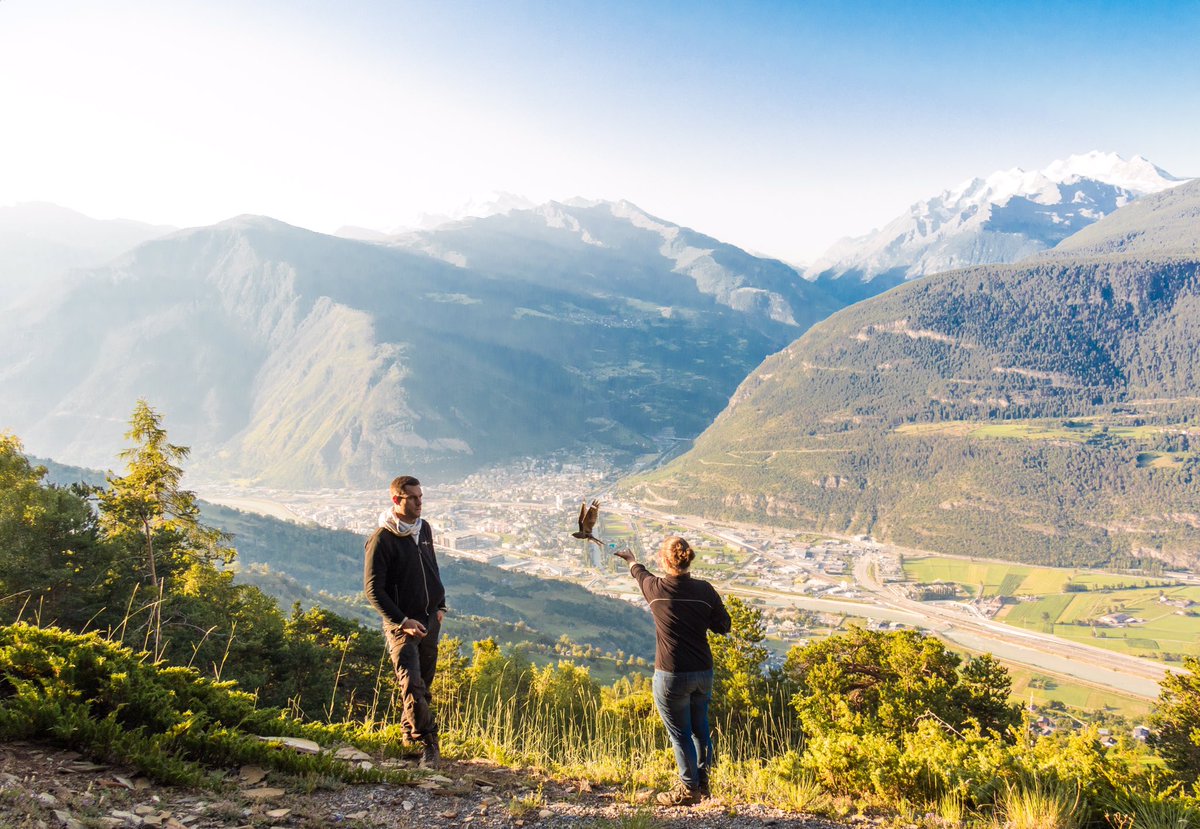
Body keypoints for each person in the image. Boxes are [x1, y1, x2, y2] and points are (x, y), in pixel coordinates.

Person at [614, 536, 731, 807]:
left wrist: (630, 558)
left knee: (679, 733)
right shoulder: (705, 590)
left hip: (671, 674)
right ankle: (703, 783)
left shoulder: (656, 589)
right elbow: (724, 626)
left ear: (665, 561)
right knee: (700, 729)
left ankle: (688, 789)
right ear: (688, 559)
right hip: (703, 671)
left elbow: (638, 572)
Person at [364, 475, 447, 767]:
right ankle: (428, 744)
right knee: (411, 683)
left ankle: (408, 735)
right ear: (397, 500)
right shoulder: (382, 539)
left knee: (423, 684)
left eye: (421, 497)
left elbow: (431, 568)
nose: (419, 502)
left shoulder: (423, 529)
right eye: (413, 498)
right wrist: (402, 620)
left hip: (429, 619)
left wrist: (440, 605)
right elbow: (373, 589)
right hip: (402, 625)